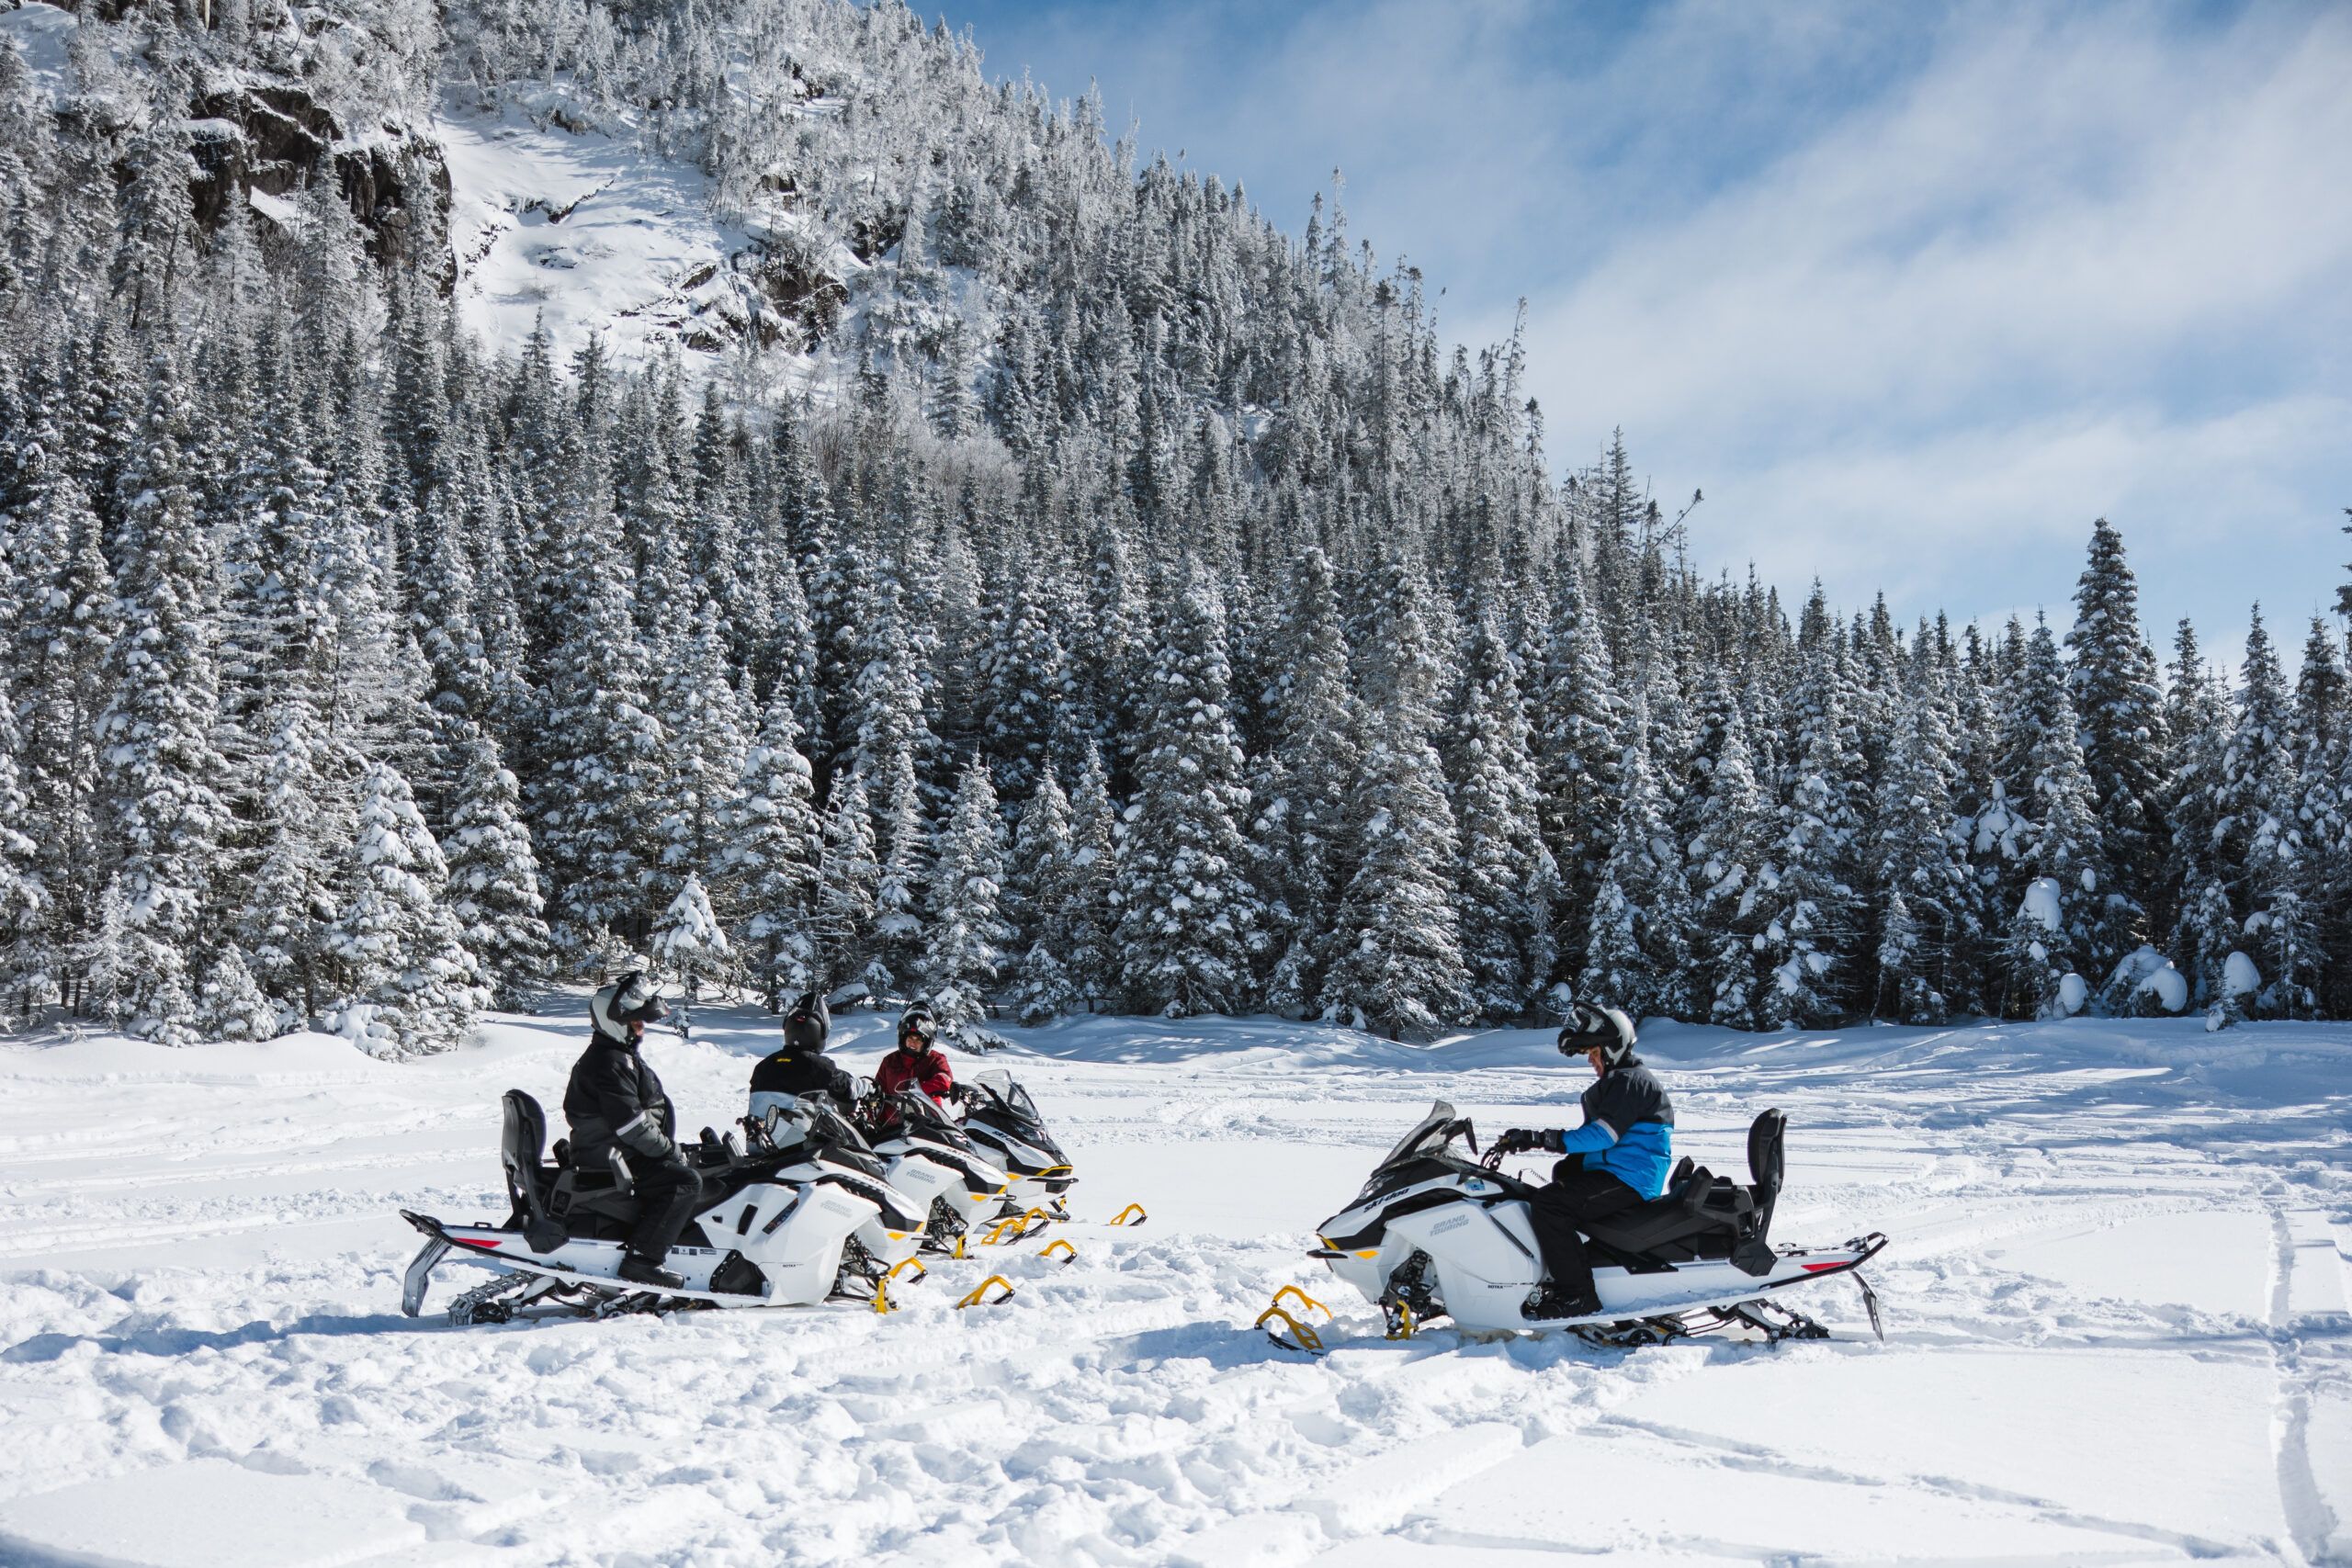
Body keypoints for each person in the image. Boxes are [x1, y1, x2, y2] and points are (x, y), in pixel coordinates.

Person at [1493, 1002, 1676, 1321]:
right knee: (1563, 1174)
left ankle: (1579, 1295)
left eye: (1593, 1053)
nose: (1591, 1061)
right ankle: (1577, 1261)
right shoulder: (1624, 1079)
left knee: (1551, 1204)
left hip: (1631, 1178)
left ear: (1613, 1047)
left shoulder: (1630, 1081)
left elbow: (1603, 1136)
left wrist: (1540, 1139)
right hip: (1619, 1169)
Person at [561, 971, 706, 1290]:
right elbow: (631, 1125)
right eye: (636, 1023)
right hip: (616, 1156)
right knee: (685, 1182)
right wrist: (670, 1152)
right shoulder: (609, 1062)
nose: (641, 1030)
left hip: (613, 1151)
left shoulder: (614, 1057)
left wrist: (673, 1147)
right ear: (616, 1022)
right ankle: (643, 1258)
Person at [748, 991, 858, 1120]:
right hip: (800, 1138)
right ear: (819, 1032)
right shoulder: (818, 1066)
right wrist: (867, 1087)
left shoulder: (763, 1066)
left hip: (764, 1136)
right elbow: (845, 1086)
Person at [876, 999, 955, 1105]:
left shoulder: (935, 1059)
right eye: (910, 1038)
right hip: (894, 1118)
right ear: (903, 1039)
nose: (913, 1043)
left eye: (918, 1039)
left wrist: (917, 1091)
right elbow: (878, 1090)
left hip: (928, 1117)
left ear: (925, 1042)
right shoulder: (890, 1061)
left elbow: (945, 1080)